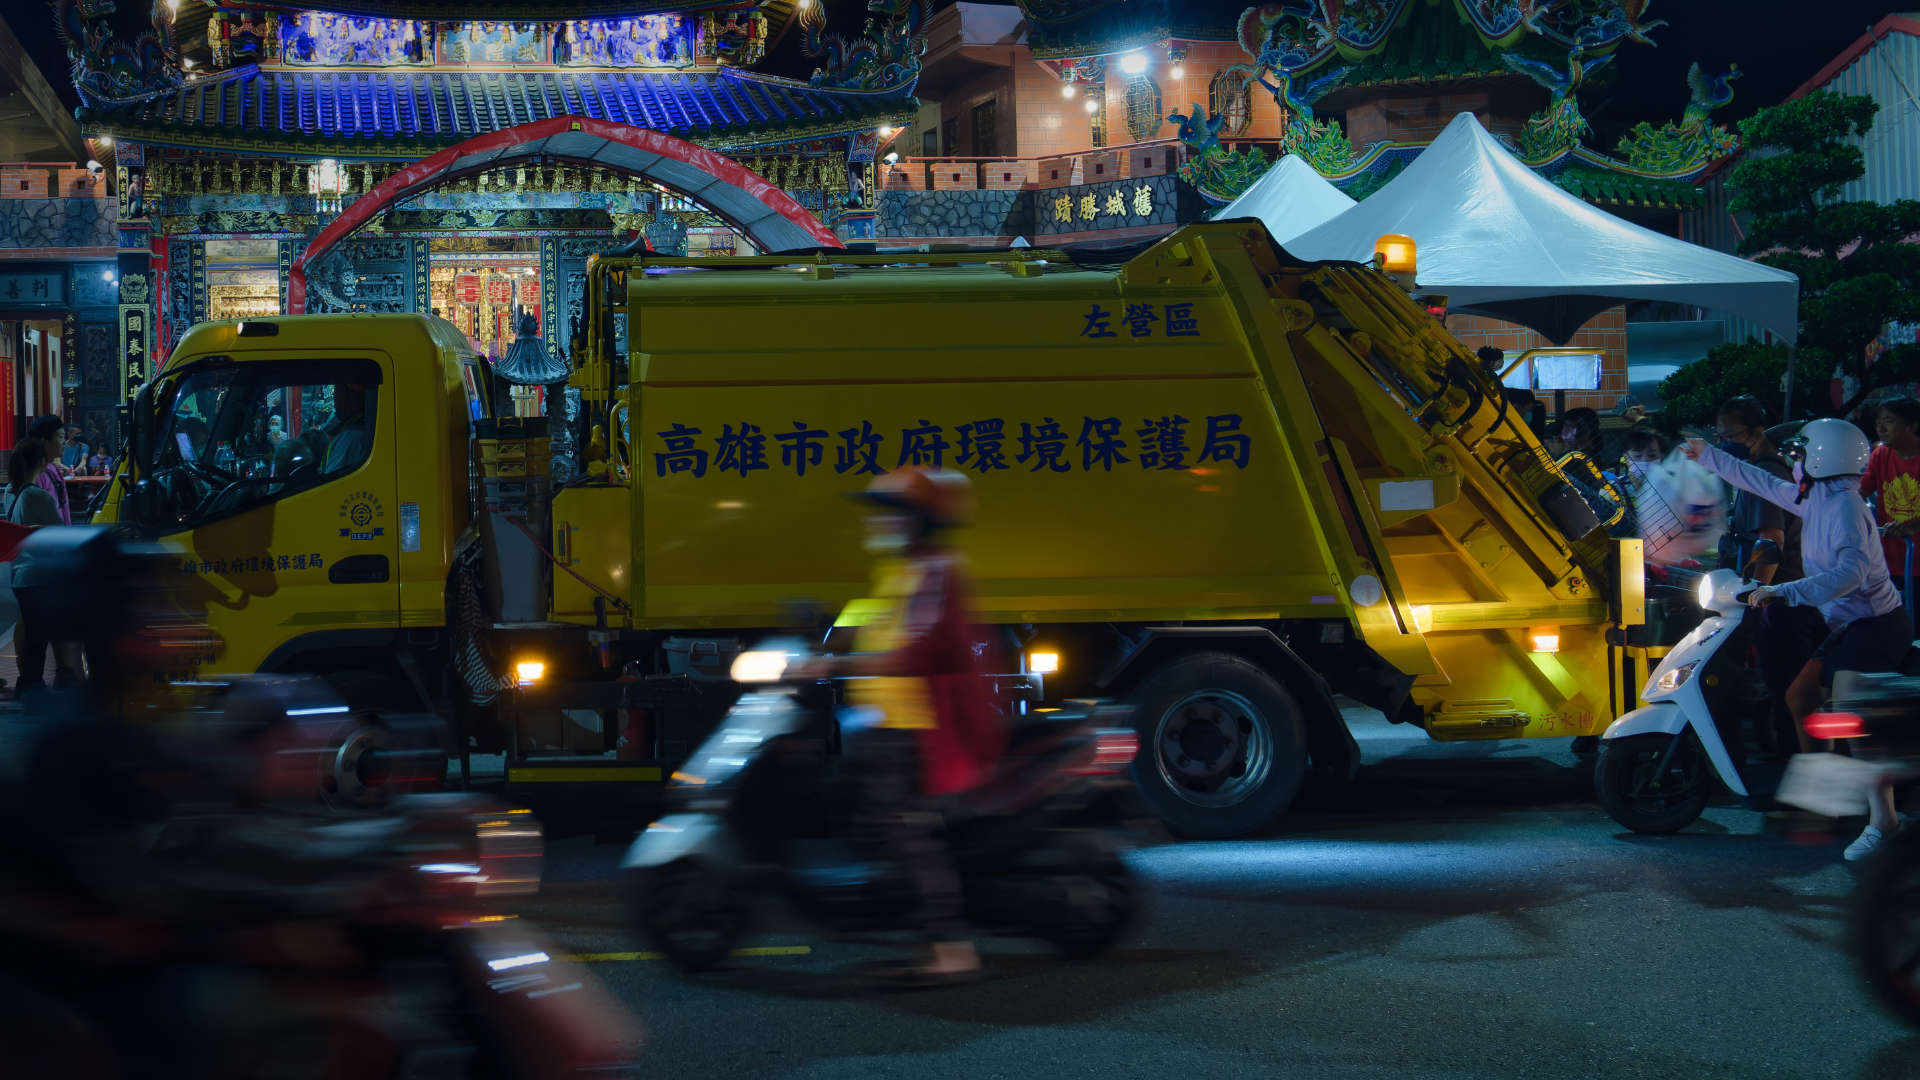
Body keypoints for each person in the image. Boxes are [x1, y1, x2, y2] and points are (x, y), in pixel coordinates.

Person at [793, 466, 1006, 983]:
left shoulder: (936, 569)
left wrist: (837, 665)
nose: (875, 521)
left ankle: (952, 948)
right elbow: (868, 619)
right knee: (867, 821)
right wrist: (822, 636)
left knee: (904, 830)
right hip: (880, 721)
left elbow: (918, 648)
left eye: (886, 512)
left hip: (914, 725)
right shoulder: (903, 570)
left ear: (916, 521)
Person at [1687, 419, 1911, 860]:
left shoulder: (1844, 507)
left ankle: (1882, 821)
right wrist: (1707, 455)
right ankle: (1827, 803)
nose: (1793, 464)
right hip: (1848, 626)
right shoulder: (1816, 498)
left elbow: (1852, 574)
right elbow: (1761, 481)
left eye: (1799, 456)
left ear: (1822, 459)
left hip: (1877, 626)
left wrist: (1784, 592)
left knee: (1855, 721)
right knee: (1800, 697)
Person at [1713, 395, 1819, 761]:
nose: (1724, 442)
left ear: (1756, 431)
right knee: (1779, 680)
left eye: (1730, 434)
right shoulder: (1758, 469)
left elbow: (1770, 541)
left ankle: (1793, 761)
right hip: (1785, 594)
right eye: (1719, 434)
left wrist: (1756, 593)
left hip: (1782, 598)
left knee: (1785, 682)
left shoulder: (1766, 475)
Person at [4, 439, 79, 694]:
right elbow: (60, 534)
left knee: (35, 632)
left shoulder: (10, 492)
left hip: (20, 574)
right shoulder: (38, 496)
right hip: (39, 576)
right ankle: (33, 685)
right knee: (40, 635)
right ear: (41, 462)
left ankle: (32, 682)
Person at [1862, 397, 1920, 607]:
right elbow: (1861, 491)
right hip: (1889, 559)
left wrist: (1912, 526)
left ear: (1911, 425)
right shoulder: (1880, 455)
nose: (1881, 428)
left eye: (1889, 421)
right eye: (1878, 423)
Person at [26, 415, 70, 525]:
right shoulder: (37, 473)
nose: (65, 442)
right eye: (60, 437)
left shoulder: (52, 469)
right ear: (44, 441)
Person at [322, 384, 371, 474]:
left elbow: (333, 481)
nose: (334, 397)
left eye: (337, 392)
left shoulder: (352, 438)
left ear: (352, 398)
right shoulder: (352, 429)